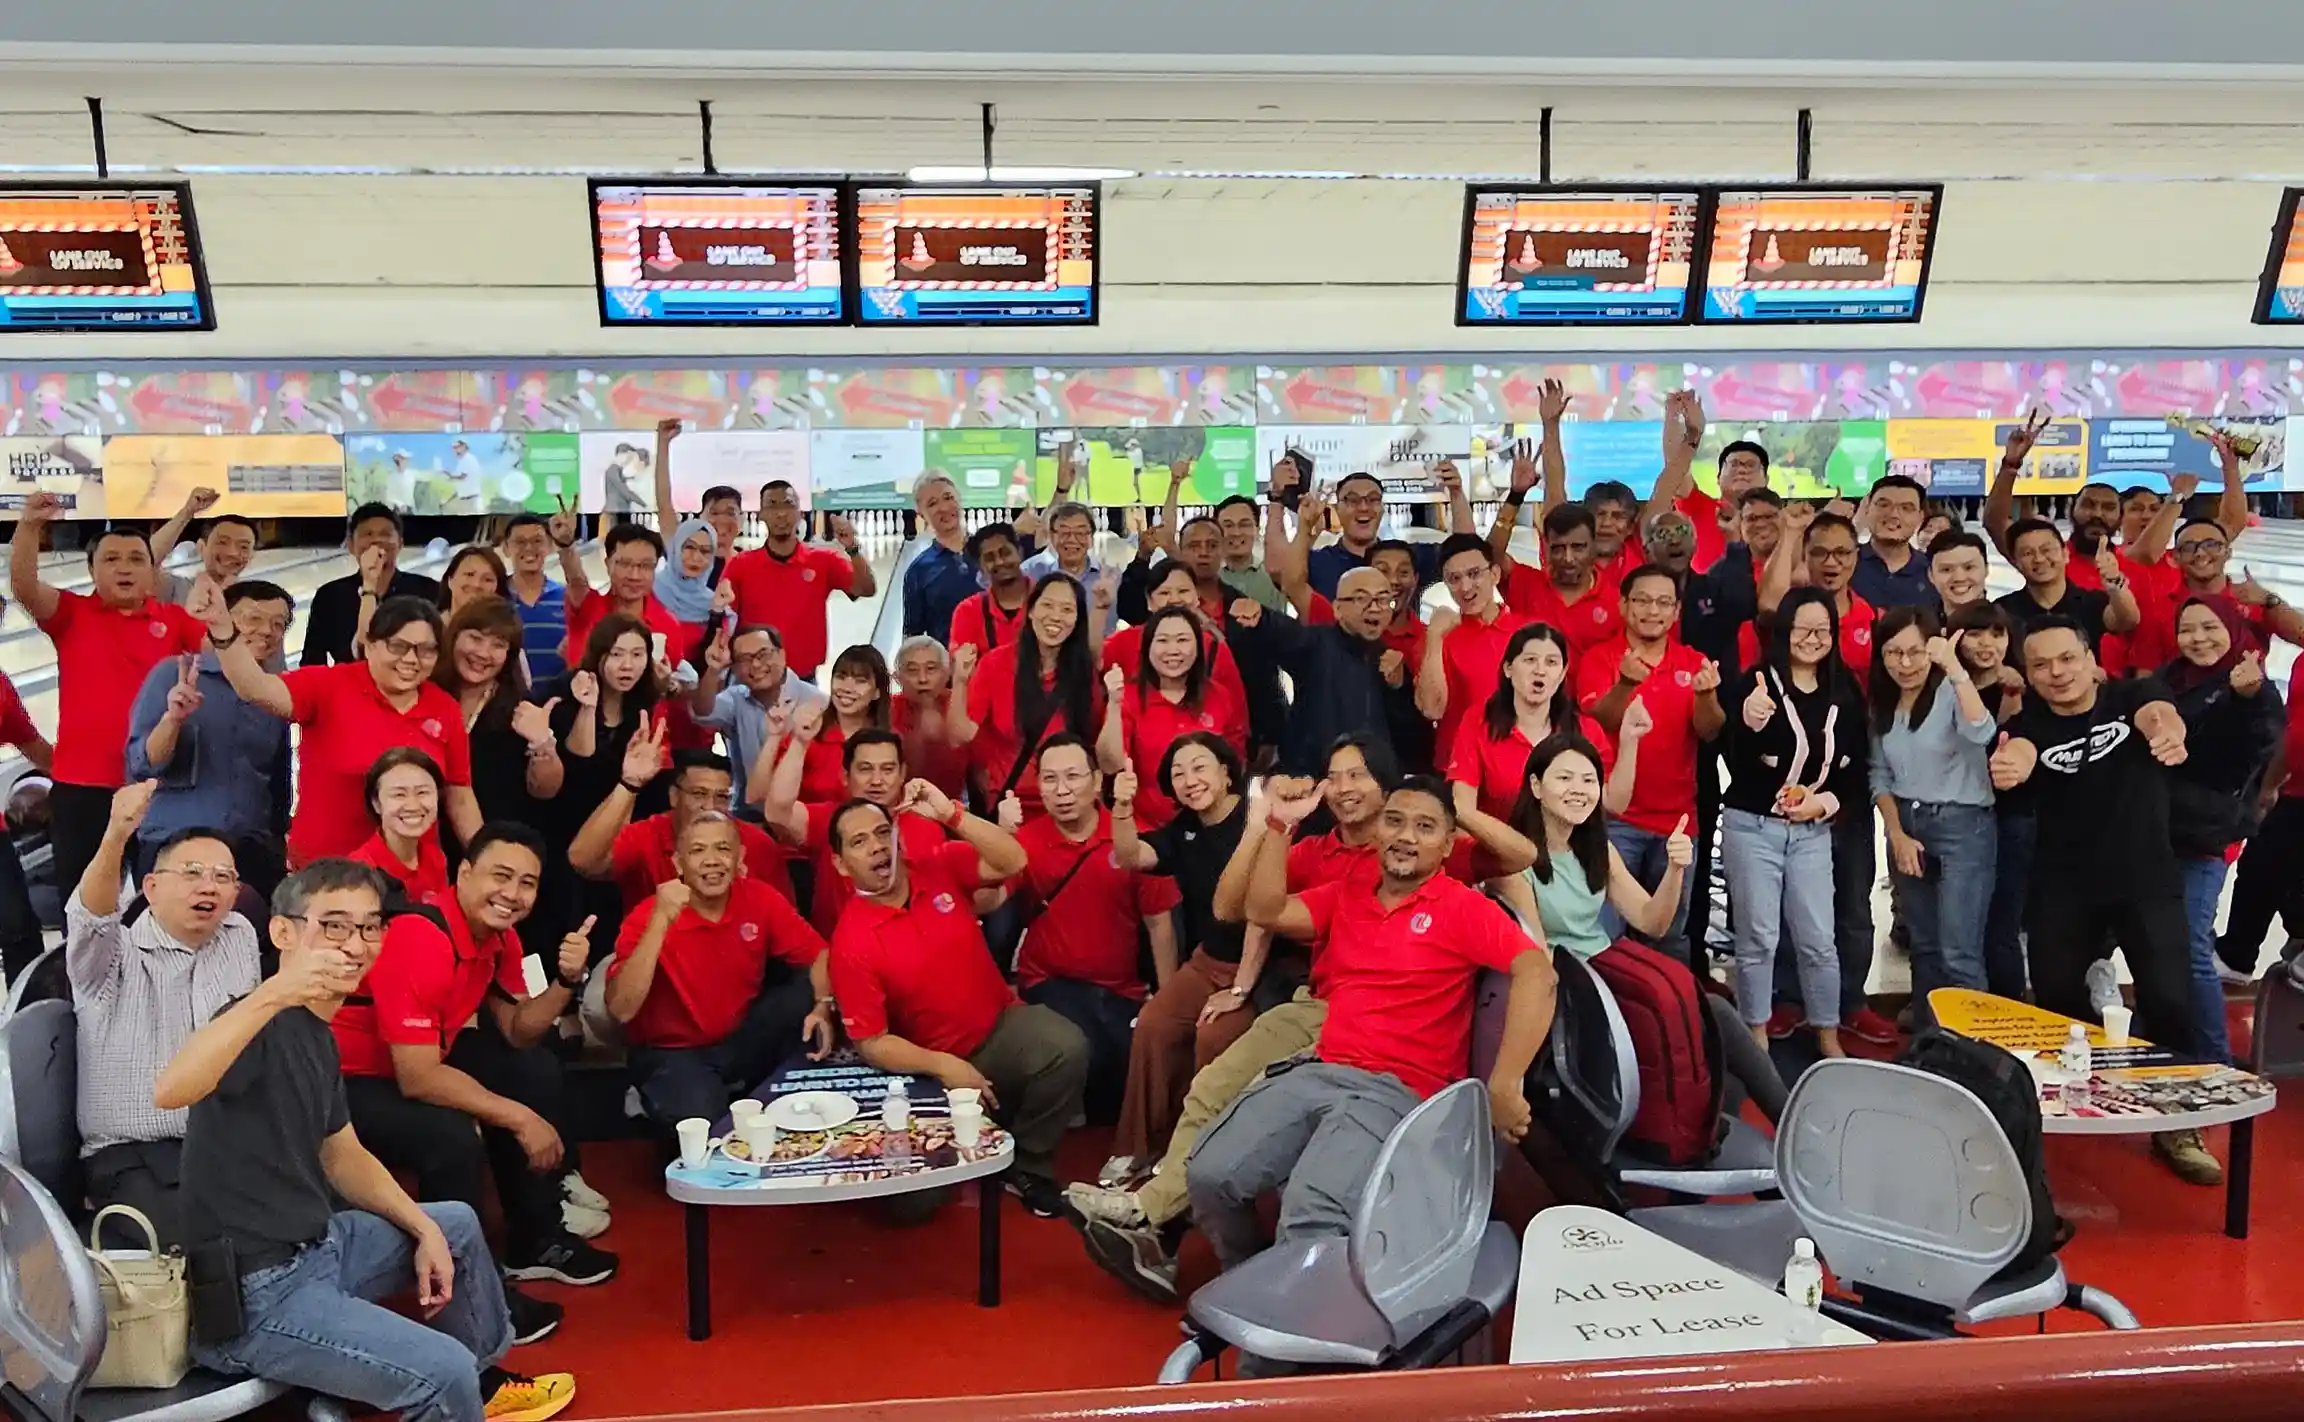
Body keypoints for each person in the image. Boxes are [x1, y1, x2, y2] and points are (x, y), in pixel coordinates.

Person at [1067, 734, 1537, 1298]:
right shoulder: (1342, 873)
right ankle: (1222, 1264)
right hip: (1323, 1018)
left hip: (1391, 1063)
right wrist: (1271, 822)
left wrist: (1443, 805)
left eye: (1359, 774)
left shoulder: (1445, 876)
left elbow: (1524, 875)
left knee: (1305, 1197)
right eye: (1334, 776)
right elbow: (1247, 909)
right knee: (1213, 1113)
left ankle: (1177, 1238)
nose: (1344, 788)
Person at [160, 858, 576, 1422]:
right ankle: (455, 1395)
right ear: (283, 932)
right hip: (254, 1295)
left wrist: (422, 1227)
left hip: (320, 1247)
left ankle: (480, 1391)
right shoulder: (256, 1021)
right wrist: (273, 993)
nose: (355, 943)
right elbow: (172, 1089)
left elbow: (343, 1153)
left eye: (369, 926)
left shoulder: (317, 1033)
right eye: (333, 924)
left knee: (453, 1224)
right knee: (440, 1372)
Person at [1188, 775, 1553, 1295]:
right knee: (1209, 1172)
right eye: (1396, 820)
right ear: (1377, 830)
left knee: (1311, 1216)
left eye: (1425, 827)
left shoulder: (1461, 905)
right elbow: (1263, 910)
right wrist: (1278, 825)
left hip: (1396, 1088)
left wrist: (1506, 1082)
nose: (1406, 836)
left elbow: (1537, 972)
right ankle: (1252, 1288)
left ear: (1448, 845)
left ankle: (1281, 1359)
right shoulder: (1349, 892)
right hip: (1322, 1066)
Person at [332, 823, 617, 1304]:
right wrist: (520, 1119)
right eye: (500, 876)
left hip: (416, 1058)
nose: (512, 893)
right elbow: (417, 1077)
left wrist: (569, 980)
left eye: (527, 883)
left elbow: (520, 1030)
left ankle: (533, 1239)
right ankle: (468, 1289)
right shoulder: (421, 935)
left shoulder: (501, 939)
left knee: (533, 1070)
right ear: (463, 874)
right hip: (346, 1081)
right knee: (449, 1134)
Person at [1992, 617, 2217, 1183]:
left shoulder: (2131, 695)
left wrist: (2168, 730)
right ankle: (2074, 1099)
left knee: (2169, 998)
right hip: (2065, 885)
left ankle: (2175, 1122)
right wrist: (2012, 764)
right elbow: (2020, 746)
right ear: (2029, 674)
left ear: (2091, 659)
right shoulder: (2031, 723)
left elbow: (2156, 714)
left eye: (2066, 659)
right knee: (2056, 996)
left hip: (2145, 879)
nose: (2056, 673)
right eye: (2041, 665)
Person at [825, 785, 1082, 1217]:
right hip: (926, 1070)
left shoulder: (938, 865)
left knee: (1065, 1046)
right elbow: (872, 1042)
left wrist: (950, 813)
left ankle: (1026, 1167)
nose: (876, 847)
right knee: (909, 1207)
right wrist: (944, 1065)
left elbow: (1014, 860)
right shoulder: (850, 943)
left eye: (881, 833)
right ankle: (971, 1135)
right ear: (840, 864)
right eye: (858, 842)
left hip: (997, 1029)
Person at [69, 783, 260, 1249]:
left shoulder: (238, 935)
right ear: (151, 887)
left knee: (310, 1222)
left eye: (222, 877)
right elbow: (92, 916)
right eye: (191, 873)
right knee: (211, 1251)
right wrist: (117, 834)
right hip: (132, 1156)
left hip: (226, 1146)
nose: (208, 886)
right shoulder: (110, 958)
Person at [194, 583, 482, 867]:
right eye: (398, 646)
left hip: (414, 872)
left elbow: (459, 794)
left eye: (426, 650)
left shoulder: (444, 707)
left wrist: (484, 857)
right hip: (329, 871)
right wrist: (223, 631)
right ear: (369, 645)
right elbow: (254, 688)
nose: (411, 659)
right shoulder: (328, 685)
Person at [10, 492, 209, 895]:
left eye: (137, 560)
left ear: (153, 573)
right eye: (111, 559)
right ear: (91, 571)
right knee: (81, 902)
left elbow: (227, 659)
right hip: (83, 788)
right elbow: (25, 585)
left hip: (158, 786)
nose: (124, 568)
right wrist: (29, 526)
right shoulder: (72, 615)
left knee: (162, 903)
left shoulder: (176, 621)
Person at [607, 812, 835, 1127]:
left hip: (737, 1037)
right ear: (678, 863)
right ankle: (653, 1098)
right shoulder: (647, 915)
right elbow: (620, 1010)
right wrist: (660, 923)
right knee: (705, 1126)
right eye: (698, 851)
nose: (712, 860)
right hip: (672, 1052)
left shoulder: (760, 897)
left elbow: (821, 956)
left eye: (723, 849)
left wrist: (824, 1006)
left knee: (804, 992)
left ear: (739, 857)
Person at [1000, 735, 1180, 1122]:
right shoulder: (1025, 842)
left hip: (1120, 988)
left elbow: (1159, 923)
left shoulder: (1133, 838)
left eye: (1072, 777)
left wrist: (1166, 1003)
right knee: (1087, 1047)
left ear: (1098, 781)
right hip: (1049, 980)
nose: (1061, 791)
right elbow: (989, 901)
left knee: (1133, 1055)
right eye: (1049, 779)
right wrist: (1000, 840)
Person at [1104, 733, 1260, 1179]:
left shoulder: (1259, 819)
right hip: (1206, 961)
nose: (1190, 780)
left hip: (1259, 967)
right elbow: (1131, 854)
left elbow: (1264, 918)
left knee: (1212, 1037)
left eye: (1199, 767)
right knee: (1153, 1024)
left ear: (1227, 771)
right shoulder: (1183, 830)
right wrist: (1121, 807)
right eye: (1178, 773)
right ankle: (1139, 1149)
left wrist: (1242, 986)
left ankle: (1196, 1160)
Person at [1722, 587, 1868, 1054]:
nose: (1812, 638)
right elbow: (1734, 757)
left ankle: (1827, 1032)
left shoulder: (1844, 689)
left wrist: (1820, 803)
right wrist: (1747, 722)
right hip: (1753, 827)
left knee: (1818, 939)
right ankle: (1756, 1036)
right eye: (1802, 628)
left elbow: (1856, 769)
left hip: (1811, 832)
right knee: (1758, 938)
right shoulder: (1757, 682)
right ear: (1783, 632)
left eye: (1822, 629)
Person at [1576, 564, 1725, 962]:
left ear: (1677, 611)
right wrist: (1626, 683)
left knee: (1671, 937)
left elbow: (1709, 731)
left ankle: (1665, 1020)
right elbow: (1598, 720)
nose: (1652, 611)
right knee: (1606, 932)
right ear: (1624, 605)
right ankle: (1610, 1023)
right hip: (1613, 822)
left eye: (1663, 603)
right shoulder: (1598, 658)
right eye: (1642, 600)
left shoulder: (1694, 661)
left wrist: (1708, 695)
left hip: (1678, 823)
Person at [2161, 599, 2284, 1070]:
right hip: (2159, 831)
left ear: (2232, 630)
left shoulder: (2251, 688)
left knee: (2192, 948)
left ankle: (2215, 1061)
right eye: (2188, 629)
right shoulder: (2169, 678)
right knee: (2161, 944)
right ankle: (2169, 1039)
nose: (2199, 639)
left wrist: (2246, 699)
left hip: (2204, 839)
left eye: (2210, 628)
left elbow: (2255, 745)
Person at [125, 581, 293, 895]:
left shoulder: (274, 694)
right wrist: (172, 720)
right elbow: (142, 765)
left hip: (251, 851)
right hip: (175, 844)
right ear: (222, 620)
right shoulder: (174, 674)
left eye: (278, 624)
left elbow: (279, 785)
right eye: (253, 618)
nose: (267, 631)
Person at [1869, 607, 1999, 1006]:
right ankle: (1930, 1045)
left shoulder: (1951, 691)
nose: (1905, 663)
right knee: (1923, 947)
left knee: (1959, 952)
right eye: (1894, 652)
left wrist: (1955, 669)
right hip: (1907, 824)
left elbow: (1983, 730)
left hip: (1963, 825)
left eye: (1916, 651)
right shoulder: (1882, 702)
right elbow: (1879, 775)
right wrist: (1895, 835)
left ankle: (1972, 1056)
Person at [1500, 734, 1694, 974]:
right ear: (1536, 786)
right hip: (1558, 975)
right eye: (1564, 778)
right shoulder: (1514, 860)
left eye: (1589, 780)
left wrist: (1675, 868)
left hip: (1602, 962)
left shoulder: (1599, 849)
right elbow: (1538, 958)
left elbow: (1652, 922)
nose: (1579, 790)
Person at [569, 728, 793, 918]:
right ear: (674, 797)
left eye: (722, 797)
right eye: (699, 794)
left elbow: (786, 922)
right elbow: (582, 861)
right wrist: (630, 783)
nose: (710, 806)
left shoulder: (758, 845)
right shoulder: (648, 834)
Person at [1228, 566, 1418, 775]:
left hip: (1371, 781)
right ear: (1337, 609)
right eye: (1361, 599)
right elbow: (1287, 635)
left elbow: (1408, 737)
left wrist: (1399, 686)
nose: (1374, 608)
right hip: (1314, 776)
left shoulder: (1390, 658)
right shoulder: (1317, 643)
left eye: (1383, 600)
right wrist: (1262, 618)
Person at [761, 727, 949, 933]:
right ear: (845, 775)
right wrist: (799, 742)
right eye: (865, 769)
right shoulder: (829, 818)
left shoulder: (927, 826)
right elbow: (777, 812)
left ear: (902, 773)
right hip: (840, 948)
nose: (877, 781)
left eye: (887, 769)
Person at [948, 573, 1103, 815]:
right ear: (1030, 611)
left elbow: (1092, 741)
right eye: (1048, 605)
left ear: (1077, 620)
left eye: (1067, 609)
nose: (1056, 616)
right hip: (1013, 804)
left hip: (1070, 804)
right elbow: (959, 735)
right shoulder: (996, 663)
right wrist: (959, 680)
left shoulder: (1084, 672)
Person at [1448, 623, 1622, 823]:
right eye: (1530, 660)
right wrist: (1519, 851)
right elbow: (1463, 808)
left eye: (1551, 662)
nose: (1540, 671)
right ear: (1508, 668)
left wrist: (1629, 739)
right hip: (1495, 846)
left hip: (1567, 848)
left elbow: (1611, 803)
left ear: (1563, 673)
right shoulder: (1479, 721)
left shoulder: (1586, 730)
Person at [1949, 601, 2036, 1000]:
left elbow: (2004, 742)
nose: (1987, 644)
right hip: (1960, 817)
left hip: (2011, 818)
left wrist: (2013, 696)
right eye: (1976, 634)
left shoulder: (2022, 687)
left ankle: (2010, 1011)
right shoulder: (1945, 687)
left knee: (2000, 926)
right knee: (1960, 925)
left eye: (1997, 634)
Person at [1096, 607, 1248, 828]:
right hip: (1149, 830)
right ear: (1148, 648)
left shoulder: (1219, 696)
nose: (1173, 650)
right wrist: (1113, 705)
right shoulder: (1129, 698)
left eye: (1183, 640)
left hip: (1214, 826)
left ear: (1198, 647)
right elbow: (1110, 765)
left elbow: (1236, 759)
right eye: (1163, 641)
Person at [720, 479, 872, 680]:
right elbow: (724, 621)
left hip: (804, 679)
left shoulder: (824, 561)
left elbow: (865, 589)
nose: (781, 513)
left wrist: (853, 548)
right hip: (751, 679)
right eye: (772, 506)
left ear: (800, 514)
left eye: (788, 505)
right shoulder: (740, 565)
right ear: (760, 515)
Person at [435, 598, 564, 830]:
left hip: (499, 841)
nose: (483, 653)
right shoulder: (425, 696)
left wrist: (542, 743)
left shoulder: (522, 709)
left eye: (498, 644)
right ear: (453, 637)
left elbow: (546, 790)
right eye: (475, 638)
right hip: (425, 839)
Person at [1417, 532, 1531, 766]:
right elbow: (1432, 709)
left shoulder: (1529, 632)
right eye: (1454, 579)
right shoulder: (1440, 638)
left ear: (1495, 574)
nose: (1465, 587)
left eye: (1474, 574)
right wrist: (1435, 638)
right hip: (1459, 765)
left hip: (1519, 763)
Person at [2220, 662, 2304, 979]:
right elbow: (2294, 732)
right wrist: (2269, 785)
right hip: (2294, 788)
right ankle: (2236, 956)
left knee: (2283, 873)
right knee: (2260, 862)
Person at [687, 622, 828, 810]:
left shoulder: (819, 703)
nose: (755, 664)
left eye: (763, 654)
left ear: (782, 655)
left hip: (800, 812)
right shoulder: (736, 697)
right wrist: (714, 670)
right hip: (749, 811)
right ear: (734, 668)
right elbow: (702, 713)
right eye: (744, 659)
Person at [301, 504, 443, 668]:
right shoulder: (330, 595)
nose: (377, 540)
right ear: (351, 545)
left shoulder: (428, 590)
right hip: (350, 686)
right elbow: (312, 661)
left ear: (400, 543)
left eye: (385, 534)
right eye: (367, 534)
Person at [1296, 467, 1469, 599]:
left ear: (1382, 509)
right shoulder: (1318, 562)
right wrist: (1301, 526)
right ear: (1336, 509)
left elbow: (1465, 552)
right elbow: (1279, 571)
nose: (1363, 507)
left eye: (1373, 500)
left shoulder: (1409, 557)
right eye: (1353, 500)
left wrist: (1456, 493)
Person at [1101, 561, 1250, 713]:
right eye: (1164, 593)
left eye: (1183, 591)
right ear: (1149, 601)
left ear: (1197, 597)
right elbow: (1093, 664)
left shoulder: (1214, 648)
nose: (1175, 599)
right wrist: (1100, 608)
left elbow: (1237, 716)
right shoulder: (1123, 642)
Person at [1995, 516, 2139, 654]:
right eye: (2027, 553)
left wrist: (2114, 581)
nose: (2038, 559)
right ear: (2015, 562)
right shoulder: (2002, 611)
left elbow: (2128, 620)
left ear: (2065, 553)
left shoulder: (2092, 602)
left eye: (2046, 550)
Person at [560, 524, 691, 671]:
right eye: (624, 564)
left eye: (645, 566)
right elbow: (576, 580)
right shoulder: (588, 608)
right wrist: (566, 545)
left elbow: (671, 676)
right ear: (607, 564)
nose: (634, 576)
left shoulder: (668, 624)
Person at [348, 748, 454, 904]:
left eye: (423, 792)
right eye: (399, 794)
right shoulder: (359, 870)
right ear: (376, 804)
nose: (413, 805)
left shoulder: (436, 859)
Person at [496, 509, 589, 684]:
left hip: (558, 704)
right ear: (506, 548)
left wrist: (567, 545)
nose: (529, 548)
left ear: (550, 546)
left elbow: (580, 587)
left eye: (537, 541)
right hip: (507, 705)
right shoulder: (494, 598)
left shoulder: (565, 597)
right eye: (520, 542)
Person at [795, 646, 894, 805]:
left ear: (877, 692)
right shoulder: (807, 732)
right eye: (841, 677)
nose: (847, 688)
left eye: (860, 681)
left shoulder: (891, 742)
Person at [900, 472, 978, 645]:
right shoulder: (918, 571)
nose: (943, 507)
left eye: (948, 497)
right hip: (949, 667)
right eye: (932, 503)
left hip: (1000, 664)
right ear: (921, 515)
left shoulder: (988, 550)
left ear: (959, 499)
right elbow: (913, 638)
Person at [890, 636, 970, 800]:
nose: (922, 679)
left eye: (931, 669)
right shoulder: (887, 710)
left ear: (947, 673)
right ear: (897, 678)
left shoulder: (962, 705)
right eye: (912, 670)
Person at [148, 499, 258, 608]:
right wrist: (187, 512)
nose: (232, 553)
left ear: (252, 554)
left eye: (244, 547)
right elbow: (149, 560)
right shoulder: (177, 588)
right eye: (222, 542)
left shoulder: (257, 598)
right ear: (201, 547)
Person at [947, 521, 1032, 658]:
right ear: (980, 566)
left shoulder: (1048, 598)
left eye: (1005, 553)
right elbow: (962, 672)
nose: (1000, 562)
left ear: (1020, 552)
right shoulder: (967, 612)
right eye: (989, 558)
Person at [1850, 474, 1935, 609]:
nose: (1894, 514)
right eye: (1884, 505)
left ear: (1920, 517)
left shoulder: (1934, 571)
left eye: (1906, 508)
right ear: (1867, 509)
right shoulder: (1844, 564)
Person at [1212, 495, 1284, 611]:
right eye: (1228, 525)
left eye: (1244, 524)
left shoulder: (1275, 574)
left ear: (1257, 529)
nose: (1236, 533)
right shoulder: (1207, 575)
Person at [1926, 529, 1994, 613]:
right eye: (1946, 569)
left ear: (1986, 569)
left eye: (1969, 567)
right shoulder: (1916, 624)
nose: (1959, 578)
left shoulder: (2010, 622)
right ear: (1930, 575)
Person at [438, 546, 511, 615]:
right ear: (450, 581)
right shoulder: (430, 626)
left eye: (488, 579)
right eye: (469, 574)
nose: (476, 584)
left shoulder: (507, 627)